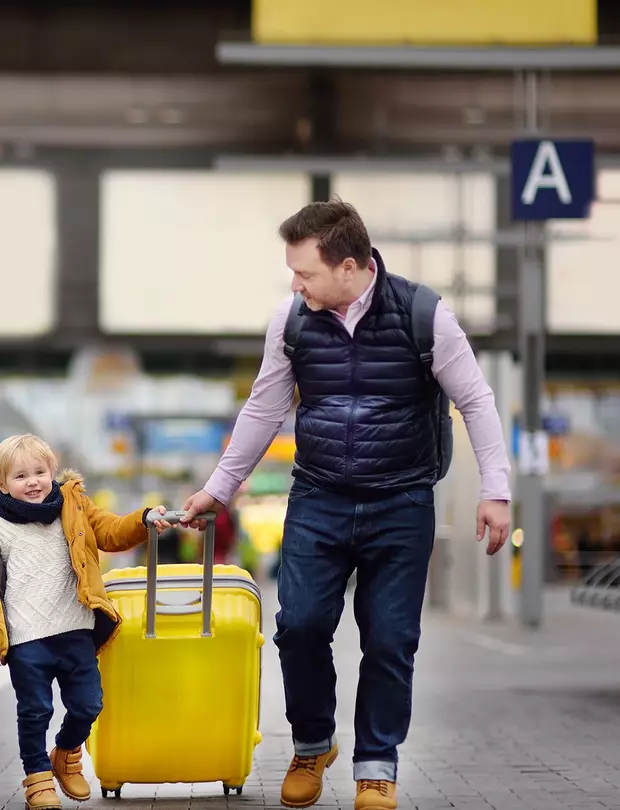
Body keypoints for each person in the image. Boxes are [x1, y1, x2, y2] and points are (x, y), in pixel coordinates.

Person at [181, 200, 512, 810]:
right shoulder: (292, 320)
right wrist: (218, 490)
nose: (294, 283)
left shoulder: (425, 315)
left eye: (304, 272)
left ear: (351, 267)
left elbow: (477, 401)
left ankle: (375, 766)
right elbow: (264, 408)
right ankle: (312, 743)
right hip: (319, 496)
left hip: (402, 499)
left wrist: (495, 491)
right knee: (299, 626)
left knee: (389, 640)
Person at [0, 433, 172, 810]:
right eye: (20, 476)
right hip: (26, 641)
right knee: (35, 711)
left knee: (89, 705)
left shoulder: (75, 507)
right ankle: (37, 776)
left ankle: (66, 755)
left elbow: (112, 532)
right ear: (0, 486)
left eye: (39, 471)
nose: (32, 481)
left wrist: (143, 519)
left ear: (53, 472)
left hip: (76, 631)